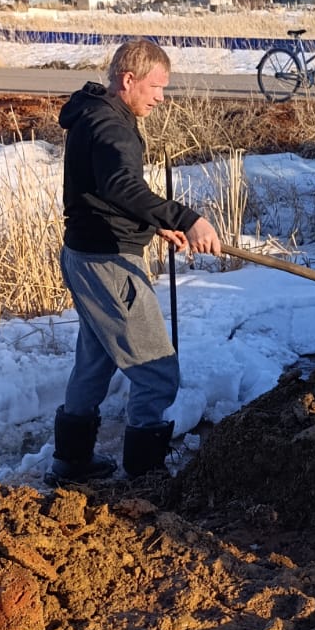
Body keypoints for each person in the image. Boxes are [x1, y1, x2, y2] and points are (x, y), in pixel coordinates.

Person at [48, 39, 221, 485]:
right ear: (129, 80)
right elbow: (120, 184)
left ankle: (71, 462)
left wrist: (152, 226)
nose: (161, 98)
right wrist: (186, 218)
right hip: (107, 263)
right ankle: (146, 479)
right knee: (155, 369)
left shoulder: (93, 111)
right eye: (156, 87)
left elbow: (105, 191)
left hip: (86, 254)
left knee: (96, 362)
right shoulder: (113, 128)